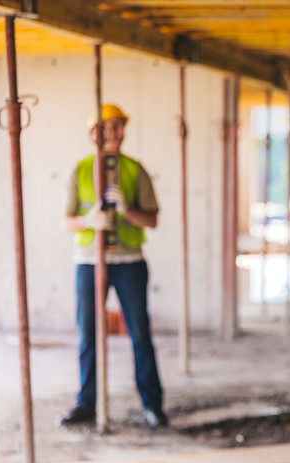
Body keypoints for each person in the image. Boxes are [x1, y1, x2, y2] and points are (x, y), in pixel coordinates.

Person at [60, 103, 168, 428]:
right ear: (95, 133)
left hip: (129, 263)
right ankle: (87, 403)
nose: (118, 133)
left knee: (139, 334)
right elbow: (67, 222)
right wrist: (87, 220)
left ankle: (152, 404)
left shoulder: (136, 170)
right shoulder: (80, 170)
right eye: (111, 127)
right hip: (90, 262)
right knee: (89, 334)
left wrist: (127, 210)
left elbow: (152, 220)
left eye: (121, 126)